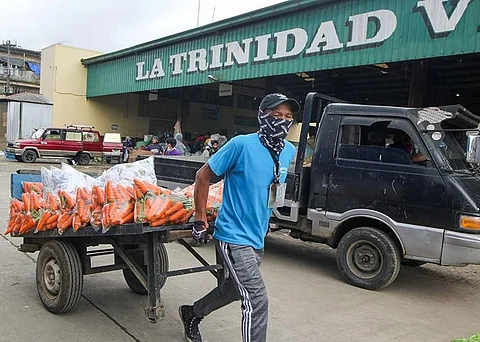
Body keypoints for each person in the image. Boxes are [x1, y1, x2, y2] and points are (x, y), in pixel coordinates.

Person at [179, 93, 300, 342]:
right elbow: (203, 176)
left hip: (258, 236)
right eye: (276, 116)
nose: (283, 121)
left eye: (288, 117)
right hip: (233, 235)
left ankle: (193, 312)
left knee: (235, 289)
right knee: (256, 300)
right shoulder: (241, 145)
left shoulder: (288, 150)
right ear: (262, 116)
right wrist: (200, 218)